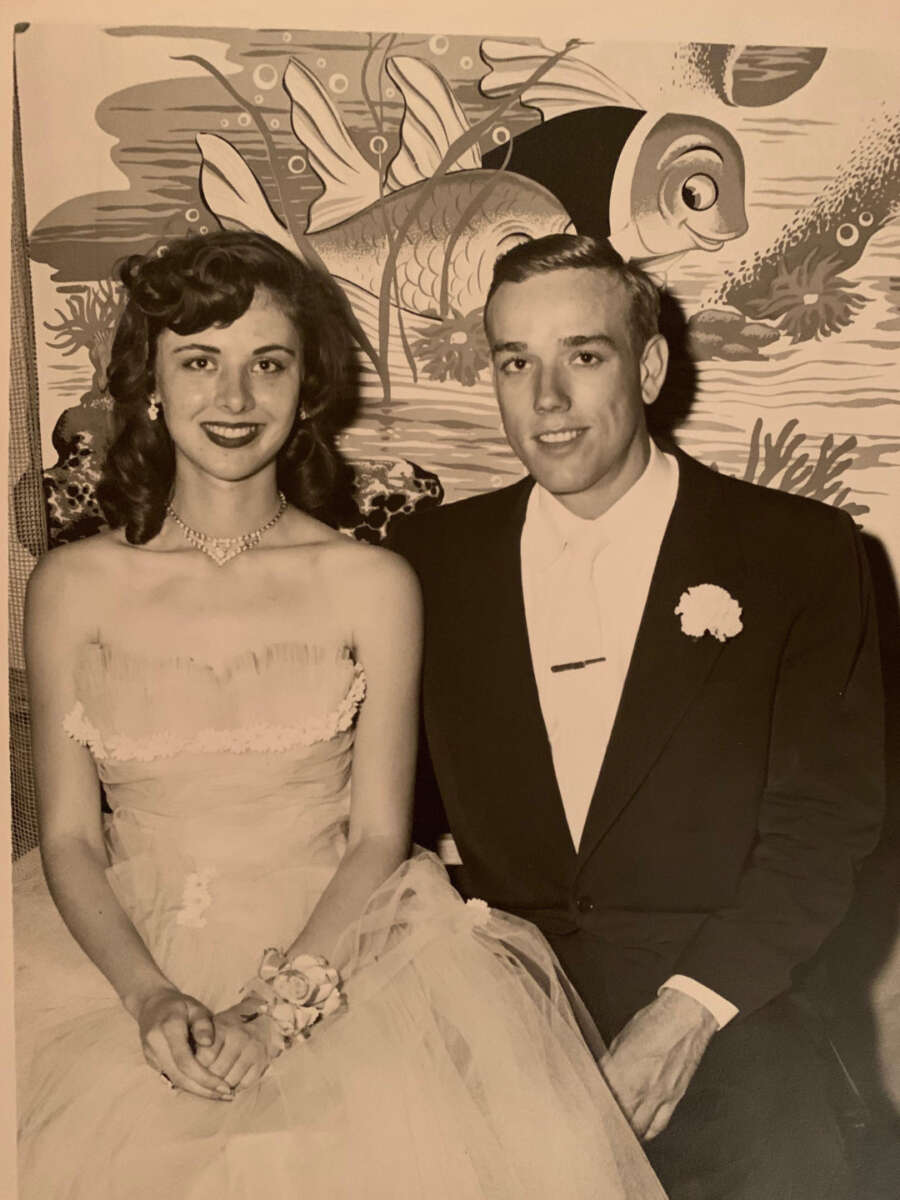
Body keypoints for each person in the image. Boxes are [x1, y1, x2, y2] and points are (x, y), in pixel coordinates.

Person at [15, 230, 666, 1199]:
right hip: (119, 962)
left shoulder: (372, 581)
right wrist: (150, 997)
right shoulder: (73, 583)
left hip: (348, 958)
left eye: (267, 365)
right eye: (200, 362)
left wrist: (278, 1014)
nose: (234, 401)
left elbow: (375, 837)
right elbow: (68, 835)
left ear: (308, 387)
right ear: (147, 383)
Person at [388, 234, 886, 1200]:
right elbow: (390, 821)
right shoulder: (426, 559)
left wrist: (690, 1010)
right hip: (490, 1015)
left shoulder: (800, 552)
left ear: (649, 366)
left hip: (730, 1011)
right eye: (514, 363)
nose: (546, 402)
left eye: (584, 356)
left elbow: (825, 831)